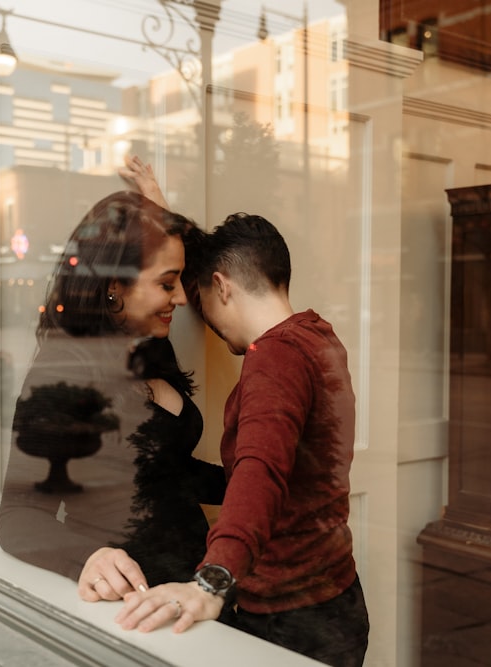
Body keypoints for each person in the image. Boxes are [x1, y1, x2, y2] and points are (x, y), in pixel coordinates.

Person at [113, 210, 370, 667]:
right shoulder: (318, 337)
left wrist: (213, 580)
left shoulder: (274, 359)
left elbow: (261, 469)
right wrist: (160, 213)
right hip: (336, 595)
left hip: (289, 618)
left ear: (223, 286)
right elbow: (285, 468)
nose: (199, 313)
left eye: (201, 296)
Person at [0, 190, 225, 601]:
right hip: (131, 603)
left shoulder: (151, 346)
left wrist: (254, 484)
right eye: (167, 284)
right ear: (115, 286)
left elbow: (166, 471)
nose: (181, 298)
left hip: (197, 592)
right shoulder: (62, 375)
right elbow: (19, 514)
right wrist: (89, 558)